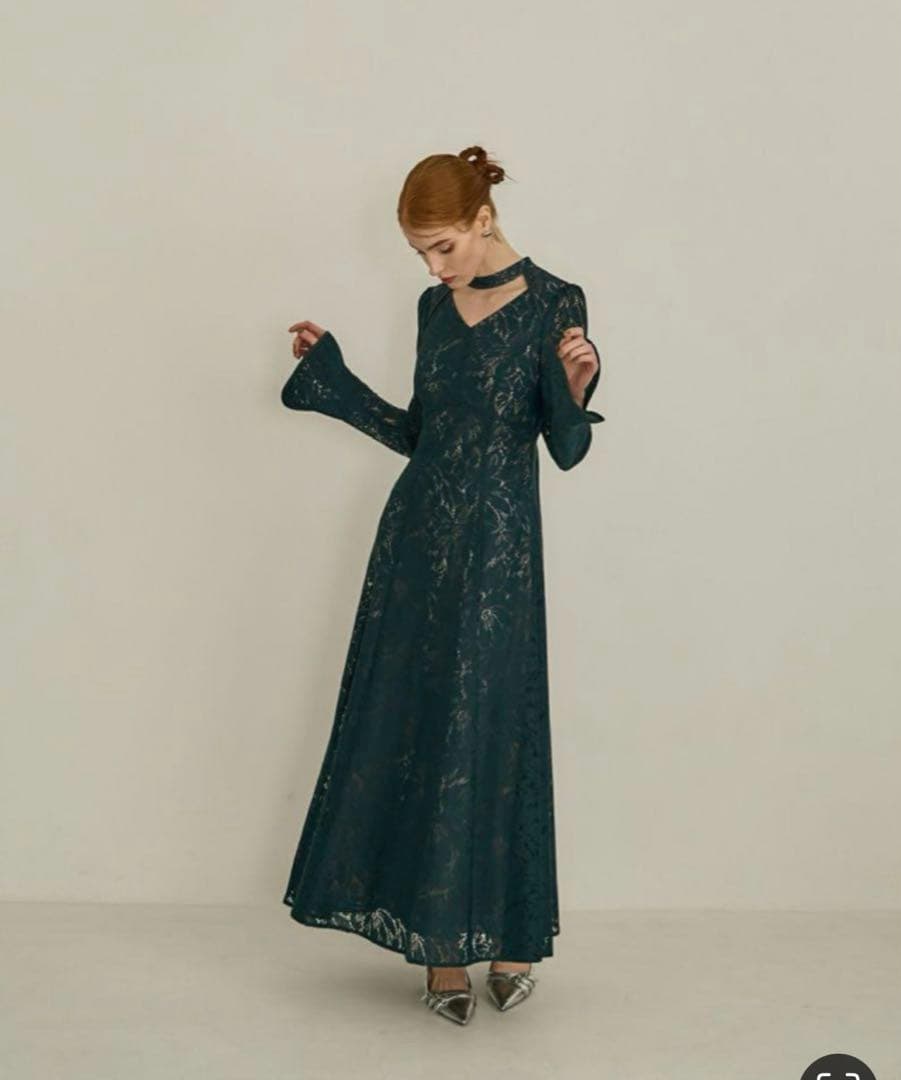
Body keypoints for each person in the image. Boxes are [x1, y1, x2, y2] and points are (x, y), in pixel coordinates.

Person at [280, 145, 604, 1026]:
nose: (432, 268)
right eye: (421, 253)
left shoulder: (556, 302)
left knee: (496, 728)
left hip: (501, 554)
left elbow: (567, 448)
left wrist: (576, 384)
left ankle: (513, 940)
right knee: (423, 727)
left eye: (443, 247)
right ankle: (443, 954)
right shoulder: (432, 309)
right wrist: (332, 378)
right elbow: (418, 434)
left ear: (483, 221)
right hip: (416, 545)